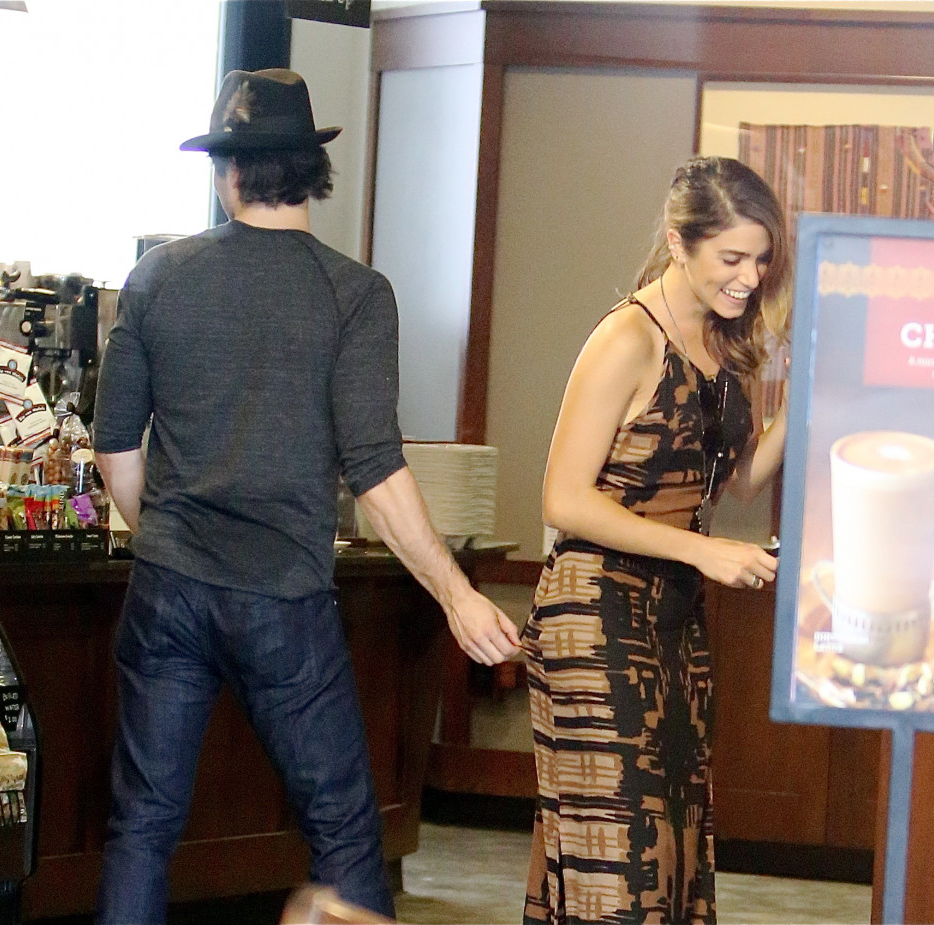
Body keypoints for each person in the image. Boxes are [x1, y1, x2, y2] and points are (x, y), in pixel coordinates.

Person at [91, 69, 521, 925]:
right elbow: (376, 472)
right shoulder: (355, 295)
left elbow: (115, 452)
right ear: (312, 169)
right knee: (345, 832)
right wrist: (456, 592)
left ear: (227, 170)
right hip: (284, 599)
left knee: (142, 825)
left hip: (168, 591)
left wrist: (169, 535)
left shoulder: (156, 277)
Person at [521, 156, 792, 924]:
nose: (750, 277)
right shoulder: (627, 338)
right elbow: (563, 498)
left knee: (675, 851)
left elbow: (738, 481)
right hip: (594, 614)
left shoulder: (724, 344)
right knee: (620, 856)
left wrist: (810, 392)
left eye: (761, 259)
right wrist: (704, 551)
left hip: (673, 619)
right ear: (679, 241)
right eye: (732, 258)